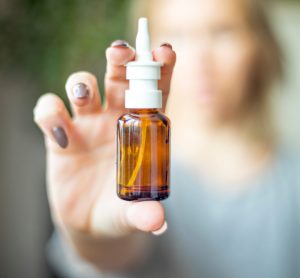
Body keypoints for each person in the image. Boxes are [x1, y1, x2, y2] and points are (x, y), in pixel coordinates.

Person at [33, 0, 300, 277]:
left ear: (260, 43)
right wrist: (91, 238)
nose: (200, 60)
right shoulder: (131, 169)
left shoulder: (293, 185)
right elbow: (115, 253)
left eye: (222, 31)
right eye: (178, 34)